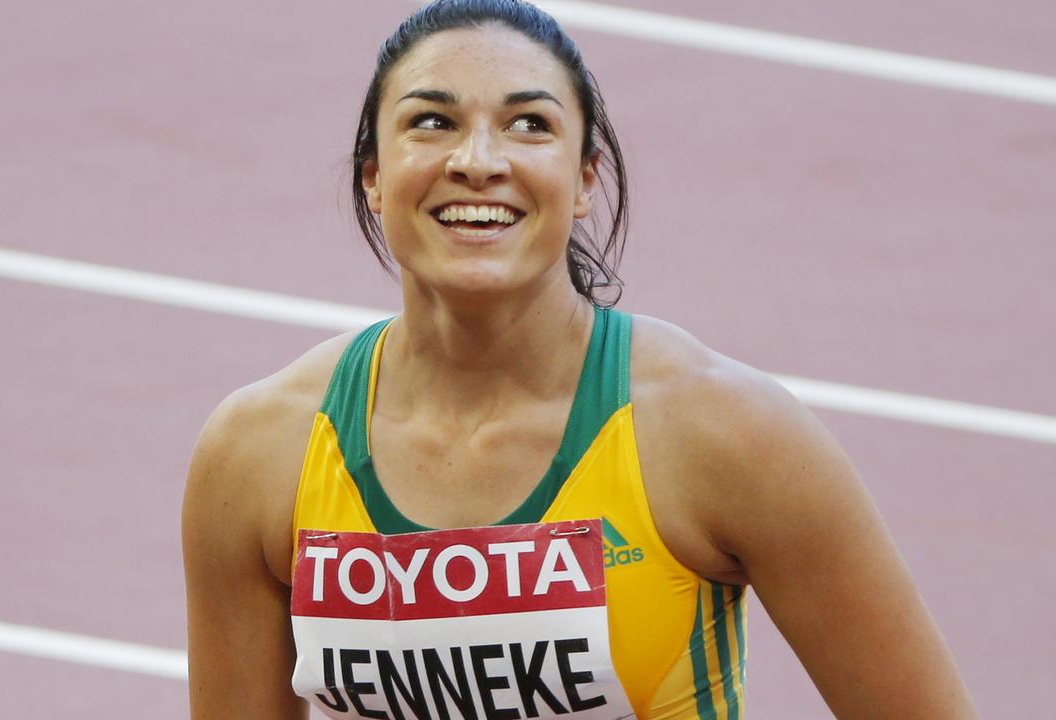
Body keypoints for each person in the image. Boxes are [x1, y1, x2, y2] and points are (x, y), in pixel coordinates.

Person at [182, 1, 979, 718]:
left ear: (585, 177)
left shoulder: (723, 434)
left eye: (530, 124)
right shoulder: (259, 454)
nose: (479, 160)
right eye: (432, 122)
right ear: (374, 180)